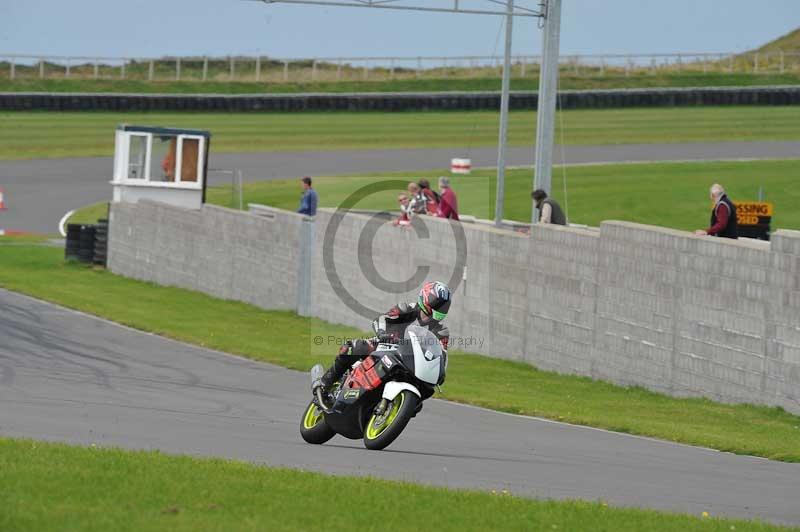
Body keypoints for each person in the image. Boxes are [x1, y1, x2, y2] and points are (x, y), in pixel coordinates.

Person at [314, 281, 453, 400]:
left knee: (423, 394)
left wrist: (440, 372)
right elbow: (382, 319)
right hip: (386, 345)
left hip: (412, 362)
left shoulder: (441, 331)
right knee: (354, 347)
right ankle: (326, 383)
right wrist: (383, 333)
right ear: (426, 298)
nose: (439, 309)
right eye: (437, 304)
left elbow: (442, 355)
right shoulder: (407, 309)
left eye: (443, 306)